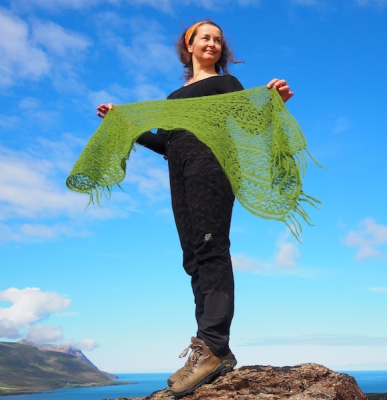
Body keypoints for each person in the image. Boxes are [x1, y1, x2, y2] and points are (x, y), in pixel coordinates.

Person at [97, 21, 293, 397]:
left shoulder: (225, 85)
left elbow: (250, 124)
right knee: (192, 258)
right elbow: (168, 145)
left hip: (211, 170)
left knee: (211, 249)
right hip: (180, 175)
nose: (213, 43)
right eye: (206, 37)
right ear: (188, 45)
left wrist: (273, 102)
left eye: (218, 40)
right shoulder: (173, 98)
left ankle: (214, 345)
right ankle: (206, 349)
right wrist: (123, 124)